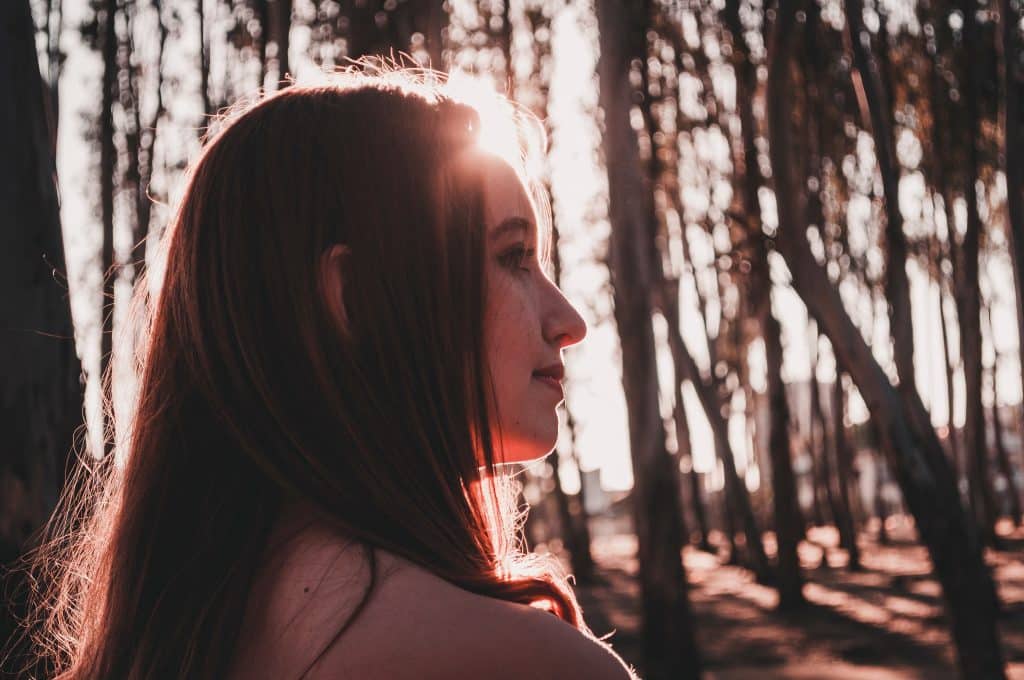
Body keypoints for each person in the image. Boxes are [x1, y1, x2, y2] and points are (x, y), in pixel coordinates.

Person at [21, 66, 637, 679]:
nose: (569, 320)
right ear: (357, 299)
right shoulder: (525, 662)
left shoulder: (165, 641)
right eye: (512, 257)